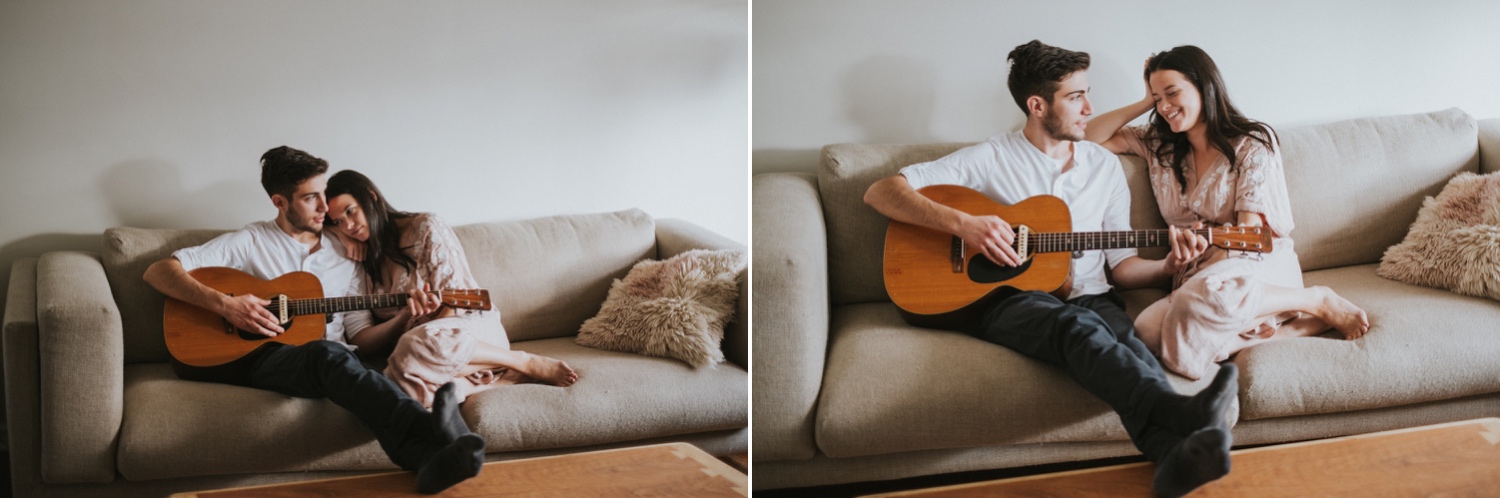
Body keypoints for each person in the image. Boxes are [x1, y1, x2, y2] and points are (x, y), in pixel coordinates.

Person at [863, 40, 1237, 497]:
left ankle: (1172, 458)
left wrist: (1167, 267)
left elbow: (1122, 269)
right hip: (1008, 298)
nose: (1089, 108)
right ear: (1038, 105)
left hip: (1096, 294)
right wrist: (965, 225)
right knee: (1076, 327)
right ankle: (1183, 415)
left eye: (1087, 93)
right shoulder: (991, 157)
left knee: (1132, 349)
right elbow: (881, 192)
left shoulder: (1104, 168)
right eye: (1076, 97)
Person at [143, 146, 483, 494]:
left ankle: (427, 457)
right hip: (253, 356)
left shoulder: (346, 252)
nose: (325, 207)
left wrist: (403, 319)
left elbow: (361, 336)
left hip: (329, 360)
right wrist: (226, 306)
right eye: (311, 198)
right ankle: (431, 433)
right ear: (280, 202)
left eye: (324, 195)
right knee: (326, 354)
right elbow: (159, 272)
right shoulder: (250, 241)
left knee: (336, 355)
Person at [1085, 45, 1370, 381]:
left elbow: (1250, 236)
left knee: (1215, 291)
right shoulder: (1156, 145)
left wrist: (1213, 263)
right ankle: (1282, 333)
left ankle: (1314, 299)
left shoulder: (1252, 142)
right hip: (1194, 279)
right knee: (1146, 330)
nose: (1164, 107)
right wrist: (1145, 100)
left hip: (1253, 266)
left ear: (1204, 85)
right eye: (1158, 98)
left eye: (1173, 93)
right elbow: (1085, 138)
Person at [323, 169, 578, 408]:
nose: (348, 225)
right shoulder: (356, 262)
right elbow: (362, 341)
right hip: (418, 352)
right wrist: (404, 318)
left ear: (371, 197)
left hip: (470, 332)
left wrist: (431, 330)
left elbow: (457, 303)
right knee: (394, 377)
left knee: (413, 350)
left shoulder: (424, 227)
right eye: (338, 222)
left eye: (351, 212)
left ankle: (521, 361)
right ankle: (478, 383)